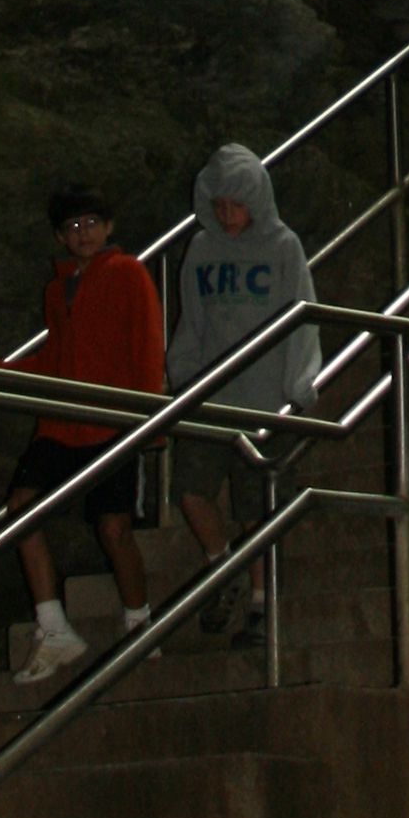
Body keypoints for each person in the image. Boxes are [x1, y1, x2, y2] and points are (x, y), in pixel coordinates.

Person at [2, 188, 166, 686]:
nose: (84, 233)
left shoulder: (128, 273)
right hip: (61, 422)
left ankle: (141, 622)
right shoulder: (59, 290)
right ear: (60, 237)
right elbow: (58, 357)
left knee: (113, 528)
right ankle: (52, 627)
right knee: (21, 511)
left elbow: (147, 343)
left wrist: (147, 417)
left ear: (109, 227)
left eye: (92, 223)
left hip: (112, 420)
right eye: (73, 228)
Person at [164, 147, 321, 645]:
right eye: (220, 205)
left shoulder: (283, 246)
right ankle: (220, 565)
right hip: (211, 395)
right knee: (190, 488)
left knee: (258, 504)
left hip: (265, 395)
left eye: (236, 204)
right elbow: (191, 318)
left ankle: (261, 602)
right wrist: (183, 375)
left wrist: (299, 384)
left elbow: (302, 311)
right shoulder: (202, 249)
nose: (227, 215)